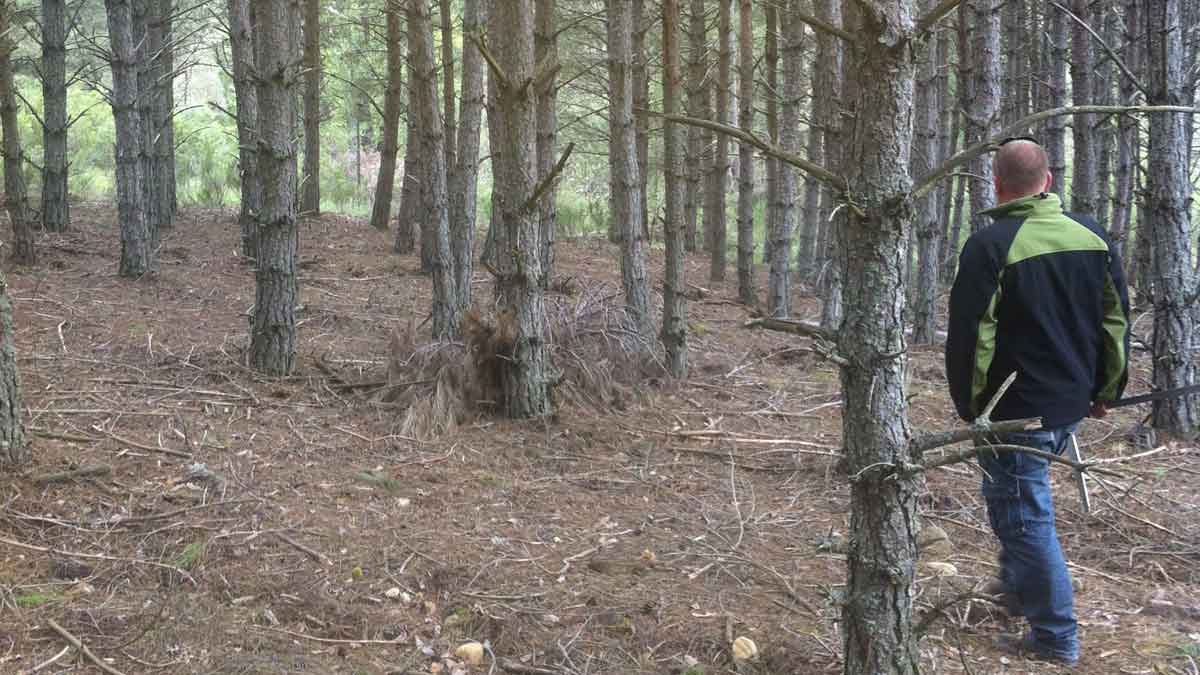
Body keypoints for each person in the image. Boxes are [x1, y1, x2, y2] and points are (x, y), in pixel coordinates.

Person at [945, 137, 1131, 666]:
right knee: (1015, 506)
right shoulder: (1092, 236)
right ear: (1047, 181)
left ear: (998, 186)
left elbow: (970, 339)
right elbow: (1115, 324)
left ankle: (1056, 637)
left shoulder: (989, 246)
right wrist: (1104, 391)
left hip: (1014, 411)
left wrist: (971, 407)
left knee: (1024, 516)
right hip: (1068, 401)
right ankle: (1014, 593)